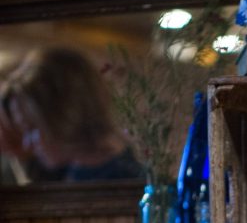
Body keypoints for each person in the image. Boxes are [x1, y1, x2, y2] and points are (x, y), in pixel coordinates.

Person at [0, 45, 145, 182]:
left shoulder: (124, 178)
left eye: (31, 127)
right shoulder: (73, 173)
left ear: (61, 115)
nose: (27, 144)